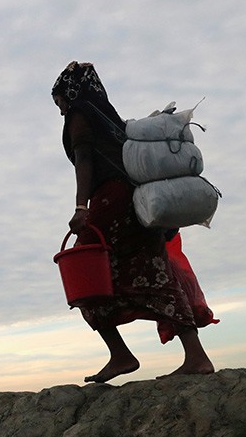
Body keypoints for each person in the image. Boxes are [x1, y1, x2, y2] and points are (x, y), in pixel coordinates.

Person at [52, 61, 215, 383]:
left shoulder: (80, 113)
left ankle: (121, 355)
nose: (58, 109)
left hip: (111, 203)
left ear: (70, 93)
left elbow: (84, 159)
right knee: (155, 272)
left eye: (58, 100)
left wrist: (82, 207)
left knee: (87, 275)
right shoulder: (108, 116)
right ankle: (196, 356)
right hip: (137, 203)